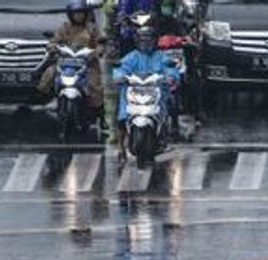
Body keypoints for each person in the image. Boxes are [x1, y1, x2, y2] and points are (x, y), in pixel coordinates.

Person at [112, 25, 181, 156]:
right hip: (133, 92)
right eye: (142, 41)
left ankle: (167, 134)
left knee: (170, 105)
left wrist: (171, 77)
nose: (146, 44)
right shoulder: (131, 57)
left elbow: (171, 69)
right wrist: (119, 77)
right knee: (122, 115)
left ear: (155, 41)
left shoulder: (161, 57)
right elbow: (120, 68)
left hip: (156, 92)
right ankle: (120, 146)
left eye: (149, 40)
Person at [37, 2, 104, 113]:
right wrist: (52, 47)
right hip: (66, 62)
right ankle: (49, 97)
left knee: (94, 83)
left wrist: (97, 51)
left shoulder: (91, 28)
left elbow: (100, 43)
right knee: (50, 72)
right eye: (76, 13)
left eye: (81, 13)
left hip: (87, 63)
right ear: (70, 15)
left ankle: (99, 113)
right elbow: (54, 40)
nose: (79, 16)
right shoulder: (64, 27)